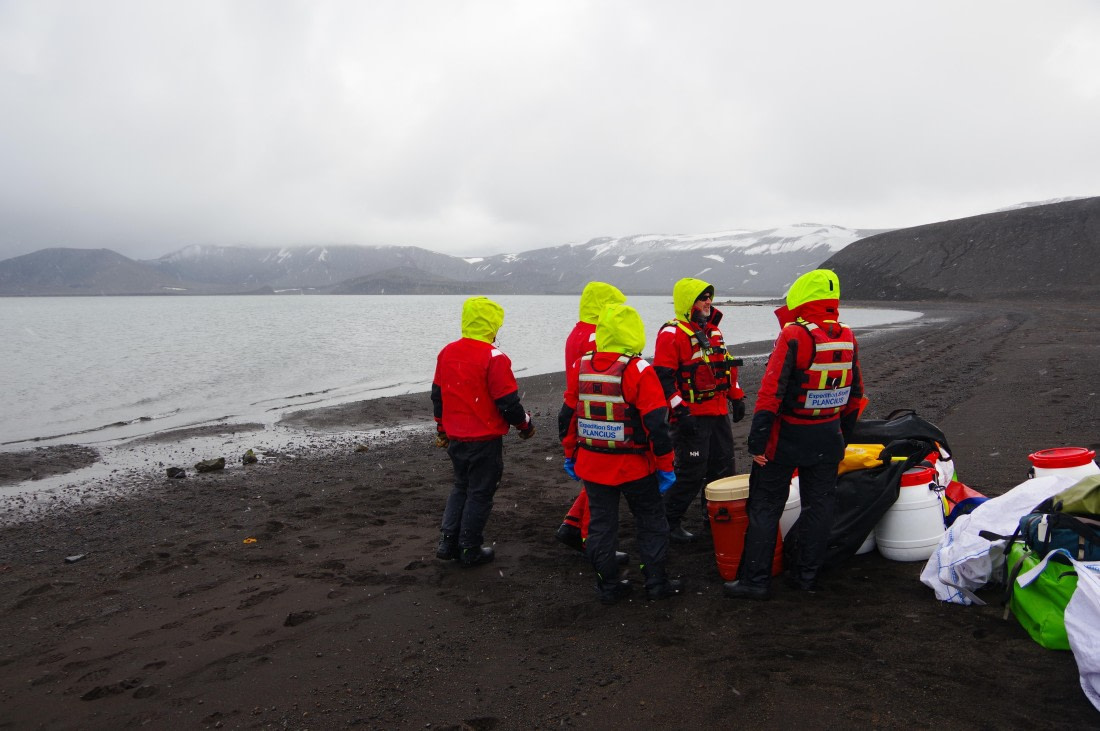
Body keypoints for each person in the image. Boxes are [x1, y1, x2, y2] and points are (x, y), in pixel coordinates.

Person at [724, 269, 864, 600]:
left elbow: (771, 392)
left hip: (786, 438)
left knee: (765, 505)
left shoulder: (794, 336)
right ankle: (806, 576)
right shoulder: (846, 335)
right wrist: (842, 435)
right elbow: (855, 394)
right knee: (819, 507)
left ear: (801, 297)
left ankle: (755, 581)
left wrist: (757, 440)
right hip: (827, 436)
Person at [561, 303, 684, 604]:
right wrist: (666, 466)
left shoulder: (581, 365)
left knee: (602, 525)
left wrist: (570, 454)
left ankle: (608, 586)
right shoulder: (638, 369)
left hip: (593, 465)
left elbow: (568, 415)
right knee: (652, 521)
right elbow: (657, 423)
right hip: (635, 467)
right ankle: (656, 582)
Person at [432, 296, 535, 567]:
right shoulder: (494, 357)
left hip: (456, 437)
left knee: (460, 486)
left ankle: (447, 542)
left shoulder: (447, 352)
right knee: (479, 492)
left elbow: (438, 395)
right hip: (484, 439)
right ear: (492, 325)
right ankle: (469, 547)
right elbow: (508, 403)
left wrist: (441, 428)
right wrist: (525, 424)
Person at [653, 278, 745, 543]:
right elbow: (663, 378)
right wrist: (680, 412)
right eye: (702, 297)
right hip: (691, 417)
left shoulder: (714, 332)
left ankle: (714, 519)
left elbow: (725, 368)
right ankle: (668, 522)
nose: (708, 302)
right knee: (691, 473)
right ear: (688, 302)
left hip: (717, 414)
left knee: (723, 469)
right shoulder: (672, 334)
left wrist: (736, 397)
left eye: (709, 297)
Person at [555, 281, 627, 552]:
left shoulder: (577, 332)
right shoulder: (598, 335)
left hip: (579, 407)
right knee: (603, 478)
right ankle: (591, 540)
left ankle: (573, 525)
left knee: (597, 477)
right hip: (596, 409)